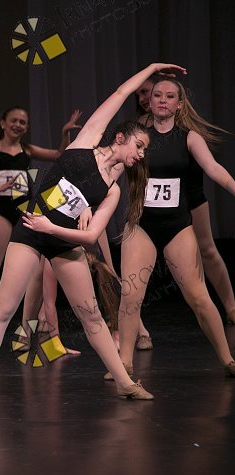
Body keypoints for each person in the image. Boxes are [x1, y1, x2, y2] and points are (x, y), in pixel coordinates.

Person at [0, 63, 182, 407]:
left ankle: (125, 383)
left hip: (61, 240)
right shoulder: (87, 142)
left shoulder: (112, 190)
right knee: (3, 309)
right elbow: (121, 93)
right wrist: (153, 68)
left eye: (145, 151)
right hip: (30, 233)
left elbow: (92, 235)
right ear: (120, 138)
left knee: (91, 315)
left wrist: (52, 228)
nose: (141, 155)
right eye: (139, 146)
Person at [115, 76, 235, 379]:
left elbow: (213, 169)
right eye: (158, 95)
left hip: (178, 226)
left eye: (170, 96)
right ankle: (123, 365)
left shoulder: (189, 137)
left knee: (198, 297)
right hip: (141, 225)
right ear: (149, 101)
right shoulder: (138, 136)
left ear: (179, 104)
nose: (162, 100)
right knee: (131, 295)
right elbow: (111, 168)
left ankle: (227, 359)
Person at [0, 107, 81, 334]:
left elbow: (60, 155)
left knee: (33, 269)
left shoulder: (27, 150)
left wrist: (64, 133)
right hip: (0, 213)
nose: (18, 125)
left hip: (25, 213)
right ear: (3, 123)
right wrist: (0, 187)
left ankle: (32, 320)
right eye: (14, 121)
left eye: (23, 122)